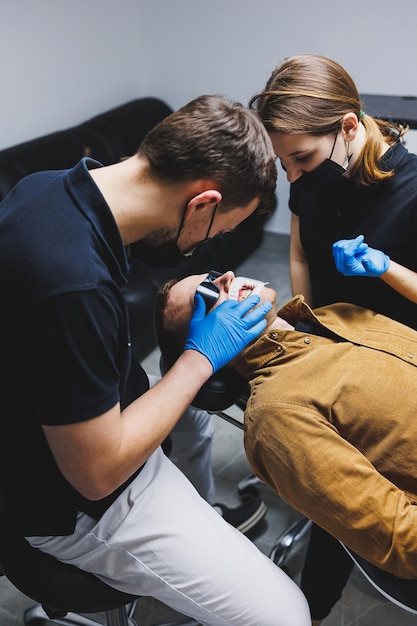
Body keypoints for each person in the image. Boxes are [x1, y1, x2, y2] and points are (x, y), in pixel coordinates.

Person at [0, 95, 312, 626]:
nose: (209, 247)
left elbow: (77, 345)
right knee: (286, 614)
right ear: (201, 202)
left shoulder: (54, 188)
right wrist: (201, 355)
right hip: (74, 501)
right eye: (219, 231)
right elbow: (97, 474)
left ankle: (201, 524)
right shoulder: (72, 285)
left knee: (190, 418)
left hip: (51, 415)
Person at [249, 53, 417, 622]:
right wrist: (310, 322)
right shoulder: (311, 182)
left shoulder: (413, 190)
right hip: (332, 349)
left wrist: (387, 269)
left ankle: (310, 604)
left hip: (395, 360)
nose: (293, 177)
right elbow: (299, 252)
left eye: (301, 159)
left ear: (348, 126)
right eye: (284, 165)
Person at [155, 269, 417, 623]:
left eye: (216, 274)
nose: (227, 276)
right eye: (207, 292)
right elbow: (402, 540)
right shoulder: (277, 416)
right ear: (207, 336)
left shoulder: (336, 314)